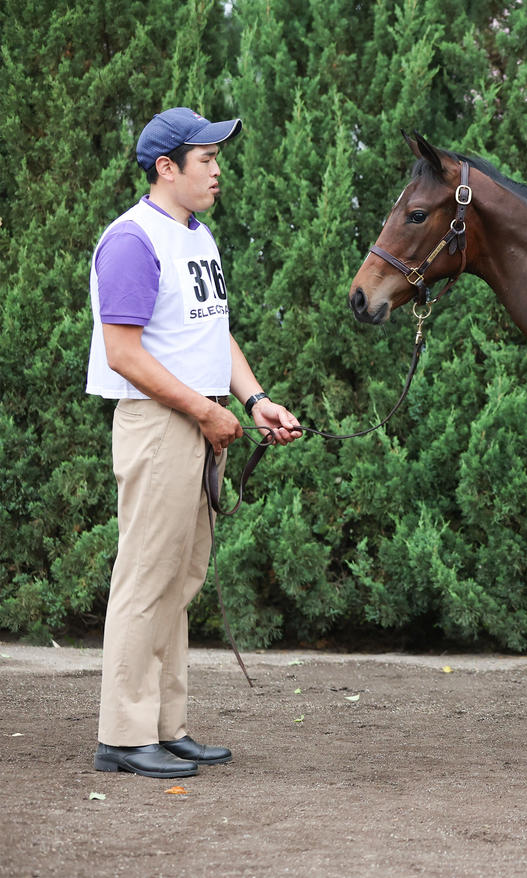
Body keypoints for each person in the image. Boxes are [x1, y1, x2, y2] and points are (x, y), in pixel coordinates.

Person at [86, 107, 302, 778]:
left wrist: (255, 399)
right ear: (166, 168)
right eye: (205, 158)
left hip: (200, 421)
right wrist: (201, 414)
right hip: (158, 424)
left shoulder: (195, 235)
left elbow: (211, 332)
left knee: (179, 580)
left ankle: (165, 725)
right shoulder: (132, 241)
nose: (217, 168)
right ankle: (122, 736)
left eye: (216, 156)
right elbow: (123, 354)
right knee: (145, 579)